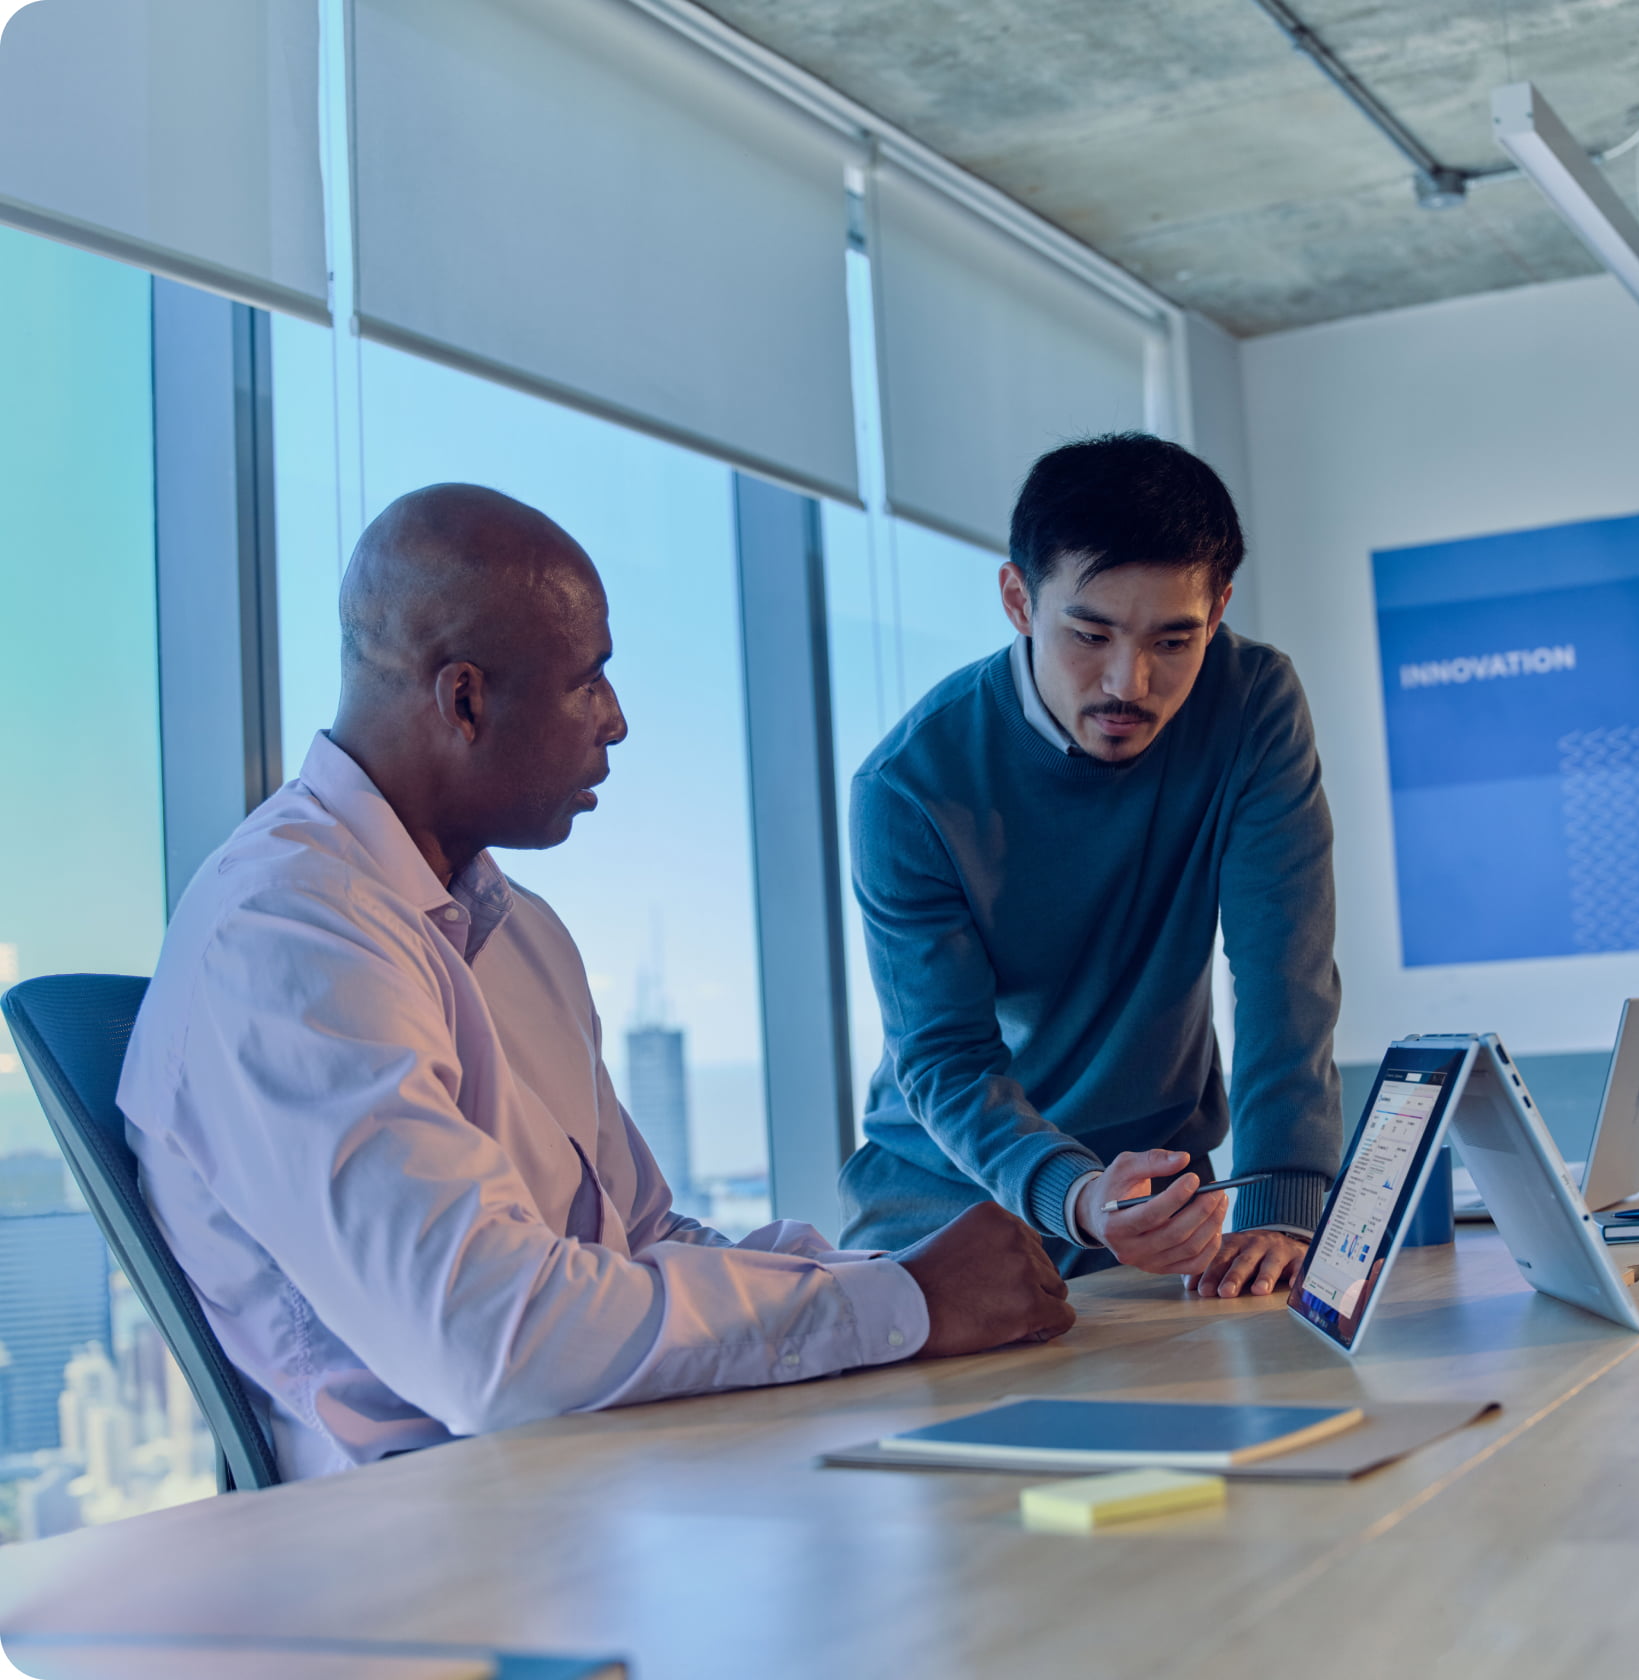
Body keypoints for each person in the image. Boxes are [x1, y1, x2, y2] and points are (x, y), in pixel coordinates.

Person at [119, 483, 1072, 1481]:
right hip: (417, 1544)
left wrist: (883, 1278)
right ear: (466, 699)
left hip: (581, 1483)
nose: (615, 724)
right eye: (589, 681)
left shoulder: (518, 931)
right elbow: (497, 1345)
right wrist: (903, 1306)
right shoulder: (284, 932)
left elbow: (642, 1237)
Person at [840, 434, 1342, 1297]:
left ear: (1218, 610)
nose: (1127, 683)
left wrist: (1279, 1198)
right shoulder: (908, 788)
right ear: (1017, 599)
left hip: (1164, 1204)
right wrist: (1073, 1195)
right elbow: (944, 1060)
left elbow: (1281, 966)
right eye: (1090, 632)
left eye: (1173, 642)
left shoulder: (1251, 702)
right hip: (947, 1215)